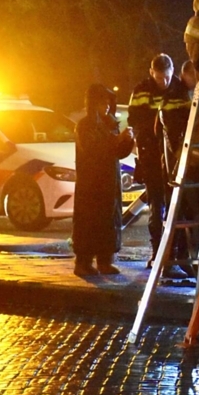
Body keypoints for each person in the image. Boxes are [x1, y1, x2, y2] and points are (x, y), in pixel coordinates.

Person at [73, 84, 135, 277]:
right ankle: (83, 262)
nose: (107, 106)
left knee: (108, 221)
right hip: (91, 185)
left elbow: (116, 153)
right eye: (102, 102)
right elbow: (93, 149)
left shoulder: (109, 124)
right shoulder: (85, 125)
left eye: (108, 102)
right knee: (89, 222)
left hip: (110, 182)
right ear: (93, 104)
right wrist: (116, 139)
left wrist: (127, 141)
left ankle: (104, 261)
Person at [128, 53, 173, 266]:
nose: (164, 82)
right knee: (156, 204)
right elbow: (134, 120)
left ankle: (172, 253)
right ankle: (157, 252)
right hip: (152, 157)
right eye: (159, 77)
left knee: (175, 207)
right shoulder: (141, 91)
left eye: (167, 77)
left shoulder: (178, 89)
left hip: (174, 158)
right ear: (151, 73)